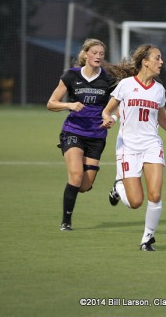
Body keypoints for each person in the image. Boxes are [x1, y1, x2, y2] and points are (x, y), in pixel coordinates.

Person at [100, 44, 166, 251]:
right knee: (135, 202)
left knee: (155, 195)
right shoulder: (125, 85)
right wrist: (108, 119)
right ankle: (118, 186)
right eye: (158, 58)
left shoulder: (159, 90)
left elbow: (163, 120)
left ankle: (147, 239)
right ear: (145, 61)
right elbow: (107, 112)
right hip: (128, 148)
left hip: (151, 145)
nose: (161, 62)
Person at [47, 38, 128, 231]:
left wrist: (112, 118)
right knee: (75, 176)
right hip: (73, 131)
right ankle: (66, 222)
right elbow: (51, 103)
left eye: (101, 53)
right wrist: (69, 105)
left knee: (83, 185)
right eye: (95, 52)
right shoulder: (71, 76)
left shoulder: (108, 79)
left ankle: (116, 188)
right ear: (85, 54)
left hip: (96, 136)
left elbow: (120, 105)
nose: (98, 56)